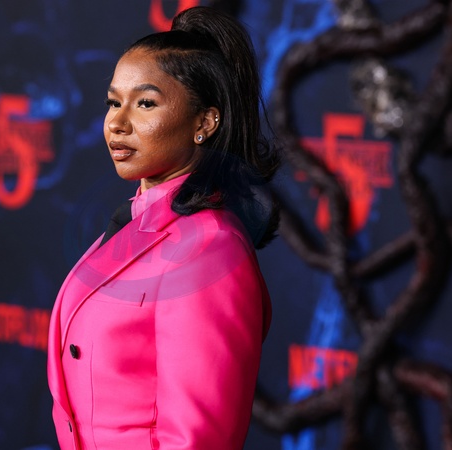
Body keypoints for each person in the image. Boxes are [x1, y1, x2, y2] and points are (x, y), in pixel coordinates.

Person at [47, 6, 281, 450]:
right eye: (114, 102)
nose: (117, 123)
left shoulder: (210, 249)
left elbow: (199, 440)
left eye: (145, 103)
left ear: (204, 122)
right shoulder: (134, 223)